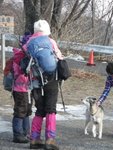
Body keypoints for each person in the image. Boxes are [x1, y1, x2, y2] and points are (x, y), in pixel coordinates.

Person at [23, 20, 63, 150]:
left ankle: (34, 139)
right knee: (50, 109)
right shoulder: (50, 42)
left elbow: (23, 61)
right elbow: (59, 58)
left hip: (35, 81)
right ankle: (50, 139)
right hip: (51, 80)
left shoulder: (28, 43)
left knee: (39, 109)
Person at [12, 33, 32, 143]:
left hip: (26, 89)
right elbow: (20, 73)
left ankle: (26, 132)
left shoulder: (23, 55)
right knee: (20, 111)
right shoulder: (20, 56)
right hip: (20, 89)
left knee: (26, 111)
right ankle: (18, 134)